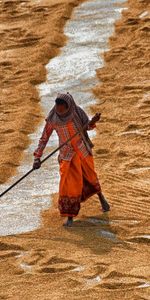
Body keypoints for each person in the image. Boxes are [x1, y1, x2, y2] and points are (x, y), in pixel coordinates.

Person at [33, 92, 110, 226]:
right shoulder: (53, 118)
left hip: (82, 151)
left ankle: (101, 197)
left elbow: (88, 127)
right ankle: (70, 216)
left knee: (91, 177)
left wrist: (93, 122)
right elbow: (44, 137)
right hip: (67, 155)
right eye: (57, 108)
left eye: (62, 109)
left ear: (68, 107)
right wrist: (37, 157)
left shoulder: (77, 112)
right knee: (68, 185)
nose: (59, 111)